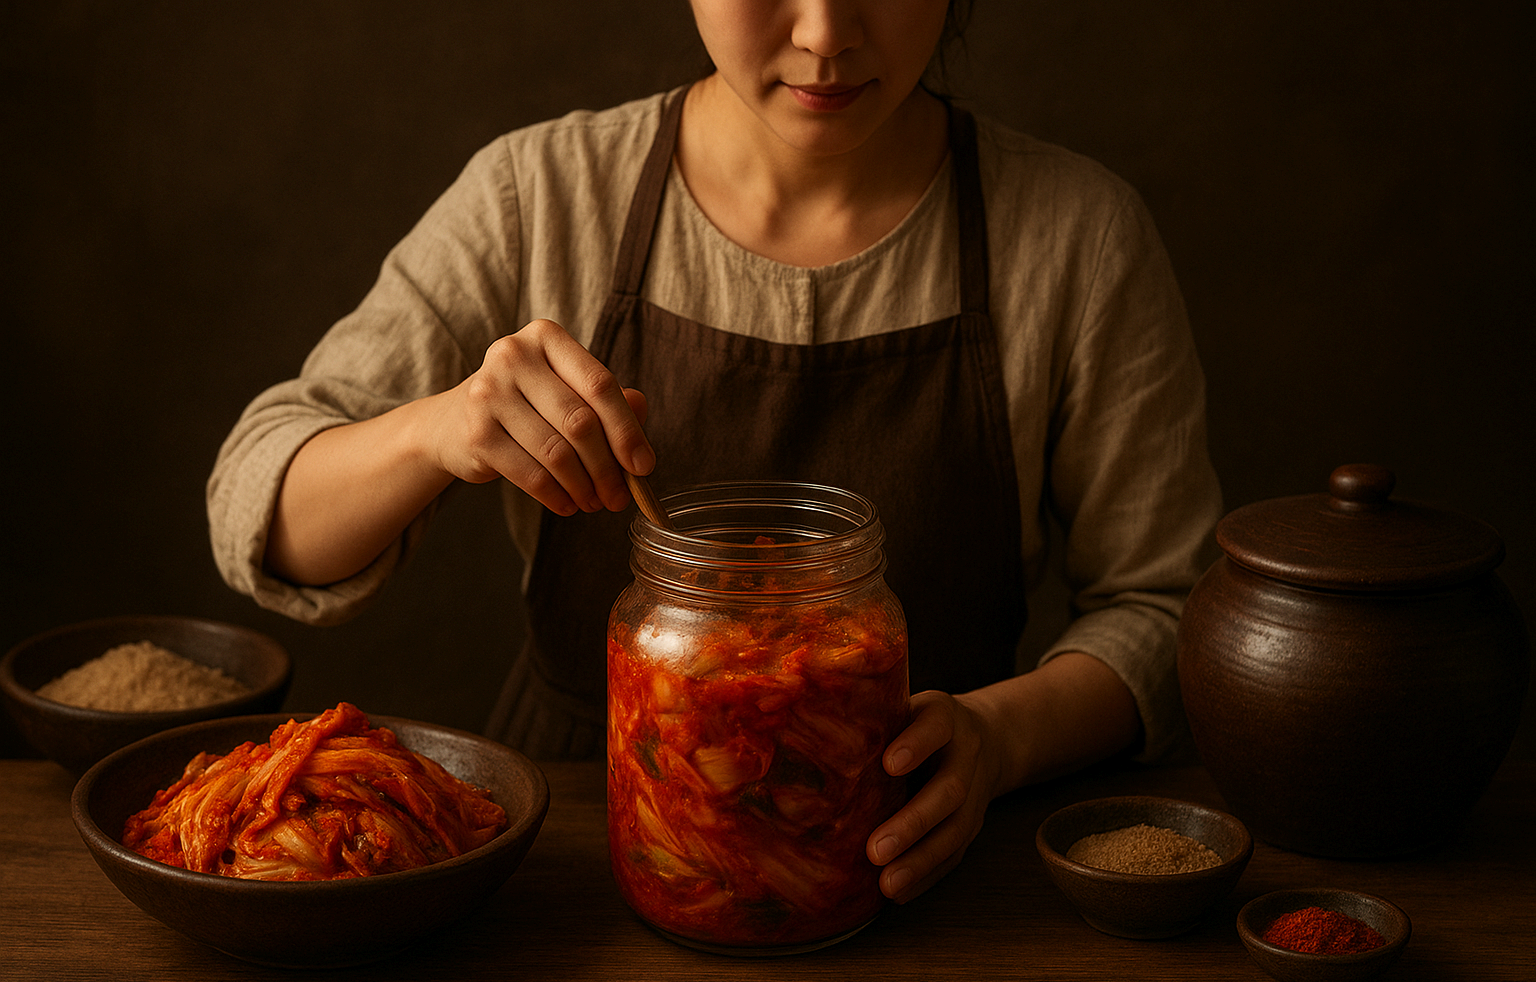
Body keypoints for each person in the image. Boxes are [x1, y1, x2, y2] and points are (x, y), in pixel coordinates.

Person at [208, 0, 1222, 907]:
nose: (825, 34)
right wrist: (437, 427)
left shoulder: (1079, 238)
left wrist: (1000, 741)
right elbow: (262, 505)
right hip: (571, 855)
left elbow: (1171, 608)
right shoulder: (541, 194)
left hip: (935, 858)